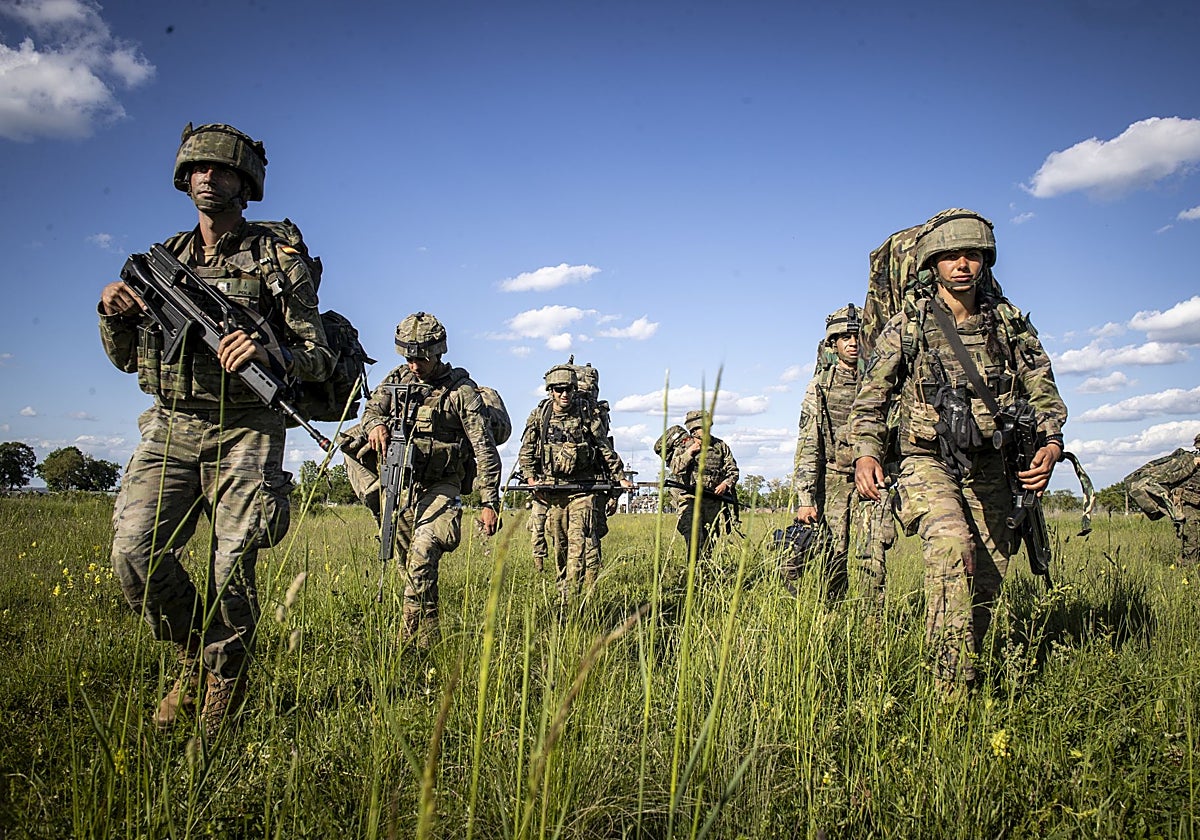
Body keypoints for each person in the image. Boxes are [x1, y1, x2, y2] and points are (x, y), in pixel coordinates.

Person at [98, 123, 333, 737]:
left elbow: (317, 356)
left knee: (232, 566)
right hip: (173, 423)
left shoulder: (276, 256)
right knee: (134, 552)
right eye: (197, 169)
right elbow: (128, 359)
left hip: (249, 427)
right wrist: (113, 312)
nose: (207, 178)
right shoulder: (165, 261)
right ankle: (191, 657)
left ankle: (223, 680)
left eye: (221, 170)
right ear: (183, 178)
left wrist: (265, 350)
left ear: (245, 181)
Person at [848, 208, 1066, 692]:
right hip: (928, 459)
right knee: (951, 548)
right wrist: (866, 451)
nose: (962, 264)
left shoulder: (1008, 325)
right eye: (951, 256)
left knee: (988, 576)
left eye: (971, 254)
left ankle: (973, 663)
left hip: (993, 464)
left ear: (985, 261)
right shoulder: (910, 325)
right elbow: (870, 399)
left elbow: (1043, 390)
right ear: (933, 264)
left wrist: (1050, 444)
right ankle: (949, 689)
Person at [358, 312, 502, 648]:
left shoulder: (461, 392)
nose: (414, 365)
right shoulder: (396, 381)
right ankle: (429, 642)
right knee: (412, 569)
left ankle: (404, 646)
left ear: (438, 352)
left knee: (422, 553)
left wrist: (489, 502)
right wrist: (375, 426)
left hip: (442, 485)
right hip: (403, 485)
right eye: (408, 357)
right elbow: (371, 411)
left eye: (421, 358)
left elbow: (484, 448)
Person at [517, 365, 633, 604]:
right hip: (554, 492)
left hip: (583, 491)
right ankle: (564, 596)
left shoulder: (587, 413)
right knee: (560, 545)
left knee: (578, 542)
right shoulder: (540, 415)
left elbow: (603, 448)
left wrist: (619, 476)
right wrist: (531, 480)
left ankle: (573, 598)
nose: (564, 394)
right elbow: (526, 453)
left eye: (568, 389)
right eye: (559, 390)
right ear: (551, 391)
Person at [790, 304, 863, 600]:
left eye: (857, 336)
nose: (853, 343)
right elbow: (809, 442)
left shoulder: (879, 382)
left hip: (871, 479)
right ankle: (831, 609)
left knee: (872, 551)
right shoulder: (820, 386)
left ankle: (873, 618)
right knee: (834, 551)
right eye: (845, 337)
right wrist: (805, 498)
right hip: (832, 479)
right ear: (833, 343)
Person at [669, 410, 740, 558]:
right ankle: (692, 573)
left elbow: (733, 470)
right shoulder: (685, 446)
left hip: (711, 501)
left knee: (709, 541)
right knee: (694, 539)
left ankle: (704, 573)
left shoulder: (720, 446)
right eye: (695, 429)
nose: (699, 432)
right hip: (689, 499)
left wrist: (725, 484)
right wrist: (690, 452)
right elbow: (675, 468)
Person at [1125, 432, 1200, 565]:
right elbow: (1167, 478)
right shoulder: (1187, 460)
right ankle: (1188, 571)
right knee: (1191, 541)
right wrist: (1192, 465)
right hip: (1189, 505)